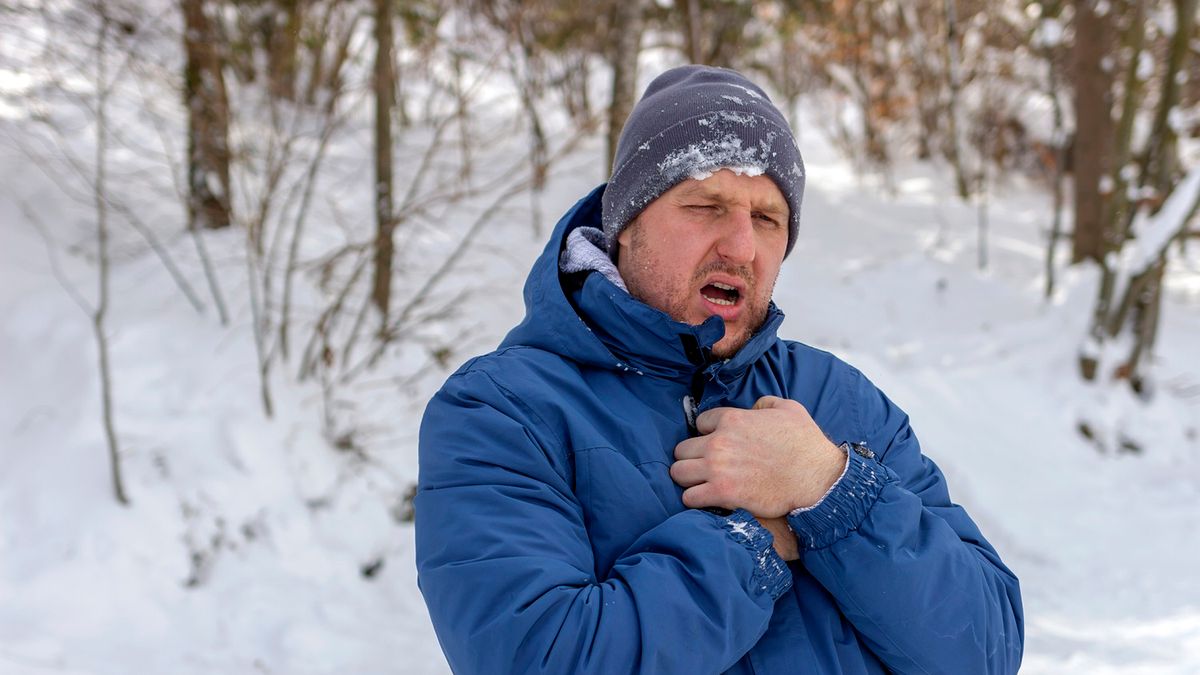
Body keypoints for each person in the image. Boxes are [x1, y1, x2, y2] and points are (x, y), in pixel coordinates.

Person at [415, 65, 1023, 674]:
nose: (740, 246)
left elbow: (985, 652)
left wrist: (832, 491)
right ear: (626, 224)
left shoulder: (837, 399)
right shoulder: (504, 410)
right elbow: (542, 658)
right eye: (706, 205)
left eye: (766, 219)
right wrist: (753, 544)